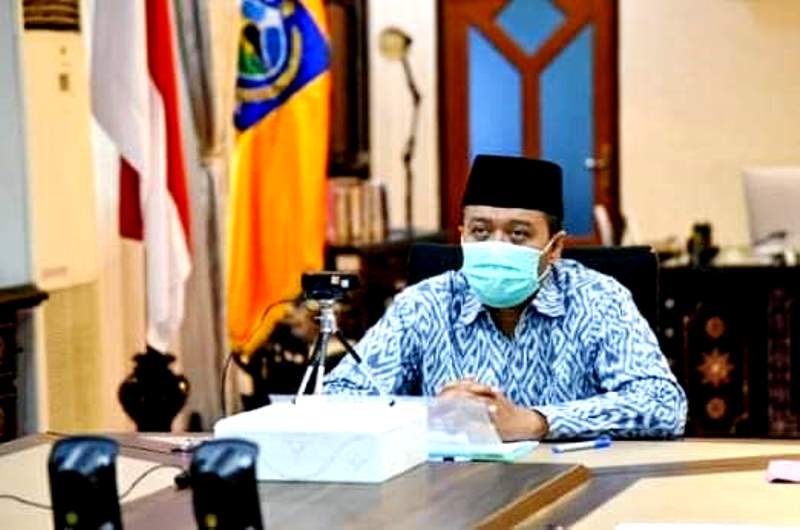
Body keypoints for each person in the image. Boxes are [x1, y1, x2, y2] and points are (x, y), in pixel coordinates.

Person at [325, 154, 687, 440]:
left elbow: (664, 404)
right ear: (462, 236)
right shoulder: (425, 303)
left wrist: (535, 422)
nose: (496, 247)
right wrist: (431, 413)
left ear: (555, 247)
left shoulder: (598, 299)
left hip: (572, 486)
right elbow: (338, 397)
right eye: (481, 231)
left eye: (518, 234)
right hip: (452, 492)